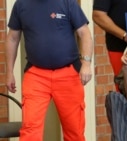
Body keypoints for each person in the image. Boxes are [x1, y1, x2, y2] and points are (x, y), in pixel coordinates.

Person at [5, 0, 93, 141]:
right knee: (30, 130)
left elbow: (85, 33)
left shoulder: (67, 2)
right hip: (36, 75)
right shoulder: (21, 4)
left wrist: (86, 63)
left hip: (68, 74)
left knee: (74, 132)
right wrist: (9, 72)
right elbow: (12, 38)